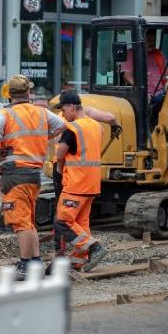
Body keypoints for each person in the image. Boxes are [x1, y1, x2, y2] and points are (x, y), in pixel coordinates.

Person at [0, 74, 66, 281]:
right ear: (29, 93)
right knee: (28, 220)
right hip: (33, 174)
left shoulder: (5, 114)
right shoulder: (42, 113)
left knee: (21, 222)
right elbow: (62, 126)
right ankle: (35, 261)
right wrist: (43, 138)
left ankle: (26, 264)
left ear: (9, 94)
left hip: (15, 174)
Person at [53, 90, 119, 272]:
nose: (63, 114)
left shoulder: (72, 128)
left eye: (64, 109)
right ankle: (79, 260)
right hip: (92, 184)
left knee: (63, 221)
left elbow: (60, 154)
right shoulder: (97, 126)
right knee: (81, 222)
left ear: (71, 107)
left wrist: (59, 169)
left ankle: (94, 247)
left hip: (76, 184)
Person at [121, 30, 167, 94]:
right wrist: (143, 92)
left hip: (161, 93)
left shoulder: (158, 54)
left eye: (154, 40)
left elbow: (167, 76)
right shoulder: (131, 54)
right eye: (149, 39)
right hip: (144, 94)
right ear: (141, 40)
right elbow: (128, 76)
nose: (152, 42)